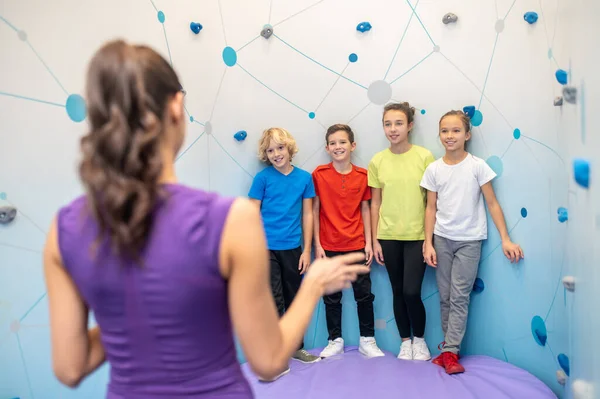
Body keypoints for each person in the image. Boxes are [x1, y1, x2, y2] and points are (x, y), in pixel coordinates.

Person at [42, 39, 370, 398]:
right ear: (176, 106)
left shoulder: (64, 229)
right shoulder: (231, 221)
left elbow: (70, 368)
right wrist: (313, 285)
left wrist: (129, 311)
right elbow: (269, 359)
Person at [420, 110, 524, 374]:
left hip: (469, 241)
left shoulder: (477, 166)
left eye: (456, 130)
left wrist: (506, 239)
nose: (449, 135)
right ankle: (447, 348)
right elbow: (430, 208)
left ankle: (451, 351)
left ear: (467, 135)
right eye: (444, 130)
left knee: (459, 297)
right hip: (442, 239)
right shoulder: (433, 169)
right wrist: (428, 242)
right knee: (444, 296)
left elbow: (492, 203)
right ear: (439, 135)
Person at [247, 127, 322, 365]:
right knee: (273, 299)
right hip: (266, 248)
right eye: (270, 150)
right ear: (265, 155)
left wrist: (306, 251)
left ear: (289, 148)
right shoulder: (263, 179)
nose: (276, 154)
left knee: (294, 299)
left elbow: (308, 215)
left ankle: (295, 348)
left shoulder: (304, 178)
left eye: (280, 148)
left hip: (293, 249)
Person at [368, 102, 434, 361]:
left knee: (411, 292)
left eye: (398, 123)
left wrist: (429, 241)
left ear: (410, 125)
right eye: (387, 124)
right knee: (397, 291)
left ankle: (420, 340)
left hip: (417, 236)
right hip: (388, 236)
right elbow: (375, 203)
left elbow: (432, 203)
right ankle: (405, 341)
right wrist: (374, 240)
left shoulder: (425, 157)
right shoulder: (377, 160)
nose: (392, 129)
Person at [312, 124, 385, 358]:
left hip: (357, 245)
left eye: (342, 142)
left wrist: (369, 242)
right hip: (329, 245)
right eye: (333, 143)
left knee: (364, 295)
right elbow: (314, 211)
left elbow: (366, 210)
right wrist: (318, 245)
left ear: (353, 145)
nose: (337, 147)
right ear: (327, 148)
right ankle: (335, 340)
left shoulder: (363, 175)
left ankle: (368, 339)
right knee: (331, 297)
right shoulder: (319, 175)